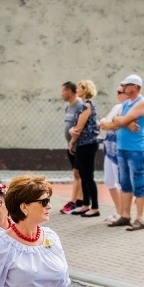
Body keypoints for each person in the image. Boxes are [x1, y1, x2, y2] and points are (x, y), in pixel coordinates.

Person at [110, 74, 144, 231]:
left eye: (126, 85)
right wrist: (125, 122)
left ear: (135, 87)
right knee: (125, 183)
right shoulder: (126, 103)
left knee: (138, 183)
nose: (124, 88)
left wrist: (123, 121)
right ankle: (125, 216)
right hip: (123, 148)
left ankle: (140, 219)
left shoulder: (142, 103)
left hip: (136, 150)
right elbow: (115, 121)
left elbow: (120, 120)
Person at [68, 80, 100, 217]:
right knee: (83, 175)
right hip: (83, 144)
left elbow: (79, 127)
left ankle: (95, 207)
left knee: (88, 176)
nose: (77, 90)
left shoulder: (87, 105)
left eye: (79, 88)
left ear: (85, 90)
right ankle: (86, 204)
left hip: (88, 144)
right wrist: (72, 131)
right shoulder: (84, 105)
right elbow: (76, 126)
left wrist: (72, 141)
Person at [98, 85, 127, 223]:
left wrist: (109, 123)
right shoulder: (116, 107)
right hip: (109, 147)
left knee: (120, 182)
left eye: (120, 92)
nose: (117, 94)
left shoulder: (129, 109)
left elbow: (115, 125)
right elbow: (104, 124)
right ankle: (118, 211)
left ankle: (123, 213)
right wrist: (109, 123)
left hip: (119, 148)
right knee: (109, 181)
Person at [58, 82, 84, 214]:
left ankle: (75, 201)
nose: (61, 94)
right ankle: (80, 200)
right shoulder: (68, 107)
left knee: (78, 173)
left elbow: (81, 125)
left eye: (63, 91)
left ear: (69, 91)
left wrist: (74, 140)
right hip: (71, 146)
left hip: (79, 145)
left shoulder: (81, 105)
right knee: (77, 174)